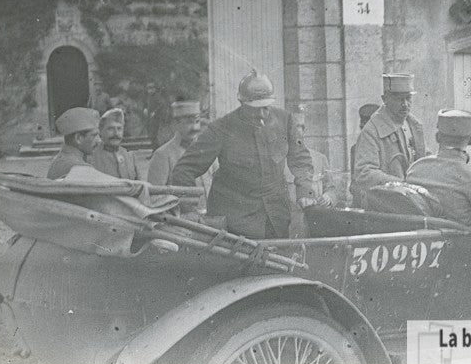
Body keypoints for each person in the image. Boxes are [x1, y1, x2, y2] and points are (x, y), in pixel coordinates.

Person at [167, 71, 315, 239]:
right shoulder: (221, 129)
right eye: (255, 109)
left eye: (265, 107)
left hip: (277, 218)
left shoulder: (285, 120)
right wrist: (189, 210)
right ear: (242, 103)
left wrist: (305, 191)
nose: (261, 114)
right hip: (235, 225)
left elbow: (301, 158)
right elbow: (183, 170)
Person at [352, 74, 429, 198]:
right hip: (385, 202)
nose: (405, 104)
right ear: (385, 99)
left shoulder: (414, 125)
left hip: (413, 198)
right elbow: (364, 173)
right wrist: (401, 184)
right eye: (399, 99)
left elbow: (424, 157)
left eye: (408, 98)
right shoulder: (371, 131)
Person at [147, 100, 212, 212]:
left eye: (197, 121)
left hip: (210, 219)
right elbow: (153, 197)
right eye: (189, 122)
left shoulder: (207, 150)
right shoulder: (162, 155)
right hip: (180, 222)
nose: (195, 127)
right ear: (175, 124)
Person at [46, 107, 102, 179]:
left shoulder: (63, 159)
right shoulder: (78, 167)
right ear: (78, 138)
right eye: (94, 135)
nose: (99, 140)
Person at [89, 107, 141, 180]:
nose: (116, 133)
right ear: (101, 131)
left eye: (119, 129)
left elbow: (139, 186)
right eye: (110, 129)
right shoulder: (91, 158)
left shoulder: (129, 156)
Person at [350, 102, 381, 177]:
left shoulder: (386, 145)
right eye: (362, 122)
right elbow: (356, 179)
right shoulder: (356, 148)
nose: (361, 125)